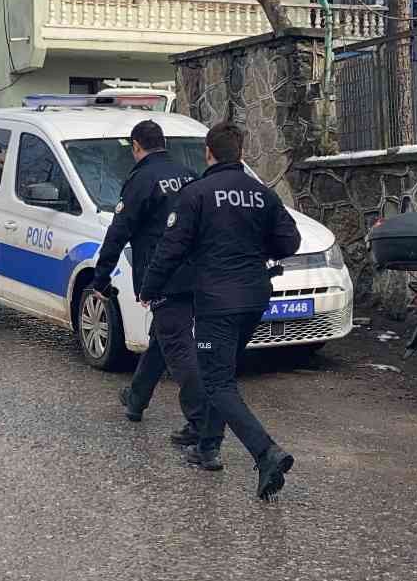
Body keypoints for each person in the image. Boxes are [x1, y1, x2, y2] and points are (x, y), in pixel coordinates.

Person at [140, 122, 301, 500]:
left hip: (217, 300)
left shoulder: (197, 194)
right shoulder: (262, 194)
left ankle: (266, 453)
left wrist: (149, 288)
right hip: (255, 298)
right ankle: (207, 447)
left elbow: (170, 249)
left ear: (208, 153)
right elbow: (289, 241)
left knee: (216, 381)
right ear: (239, 153)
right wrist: (255, 247)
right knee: (222, 374)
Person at [88, 120, 201, 443]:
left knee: (178, 347)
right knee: (162, 337)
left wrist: (101, 276)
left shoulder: (142, 180)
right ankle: (136, 398)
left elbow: (119, 231)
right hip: (195, 272)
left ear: (136, 147)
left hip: (163, 276)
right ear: (163, 143)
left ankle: (201, 422)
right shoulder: (189, 174)